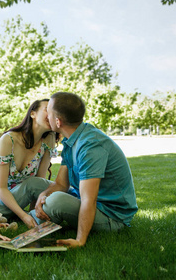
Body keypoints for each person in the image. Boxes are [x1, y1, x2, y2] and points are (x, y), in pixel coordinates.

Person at [30, 92, 138, 248]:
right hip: (85, 200)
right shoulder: (71, 139)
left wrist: (80, 240)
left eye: (49, 111)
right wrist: (43, 194)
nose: (46, 114)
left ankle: (26, 218)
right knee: (36, 186)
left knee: (56, 200)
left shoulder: (90, 146)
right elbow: (61, 183)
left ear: (58, 121)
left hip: (111, 216)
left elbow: (89, 199)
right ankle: (15, 216)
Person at [0, 99, 59, 229]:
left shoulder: (48, 139)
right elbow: (0, 188)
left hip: (23, 197)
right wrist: (24, 216)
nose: (52, 114)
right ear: (32, 114)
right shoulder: (9, 139)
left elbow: (40, 181)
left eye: (55, 112)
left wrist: (34, 213)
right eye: (47, 109)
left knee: (42, 185)